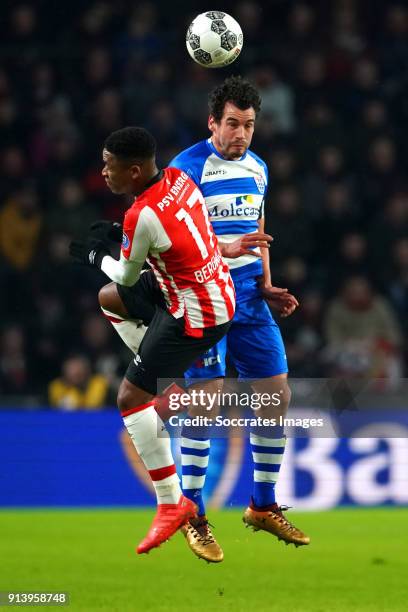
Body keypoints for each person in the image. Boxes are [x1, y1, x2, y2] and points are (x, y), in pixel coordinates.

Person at [97, 77, 310, 562]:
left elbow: (257, 230)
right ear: (212, 122)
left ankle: (262, 504)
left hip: (250, 299)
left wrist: (267, 281)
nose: (241, 134)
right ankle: (193, 515)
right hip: (201, 297)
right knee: (205, 405)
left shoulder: (258, 169)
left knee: (276, 395)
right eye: (232, 124)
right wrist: (223, 251)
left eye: (249, 125)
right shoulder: (185, 169)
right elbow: (172, 238)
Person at [69, 126, 236, 554]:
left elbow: (125, 272)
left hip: (196, 314)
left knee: (129, 398)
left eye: (111, 166)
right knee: (109, 300)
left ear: (135, 170)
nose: (104, 172)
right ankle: (161, 369)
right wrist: (123, 239)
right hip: (199, 289)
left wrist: (96, 256)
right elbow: (166, 240)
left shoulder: (140, 215)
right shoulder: (179, 180)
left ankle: (170, 504)